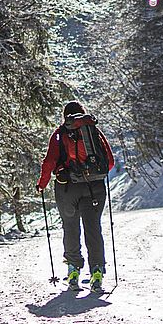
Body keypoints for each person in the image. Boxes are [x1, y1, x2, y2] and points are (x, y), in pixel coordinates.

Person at [36, 101, 115, 291]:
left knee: (70, 227)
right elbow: (110, 162)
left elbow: (49, 162)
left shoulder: (60, 134)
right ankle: (97, 271)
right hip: (94, 187)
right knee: (93, 228)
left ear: (65, 116)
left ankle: (73, 271)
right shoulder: (93, 131)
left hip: (68, 188)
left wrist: (42, 184)